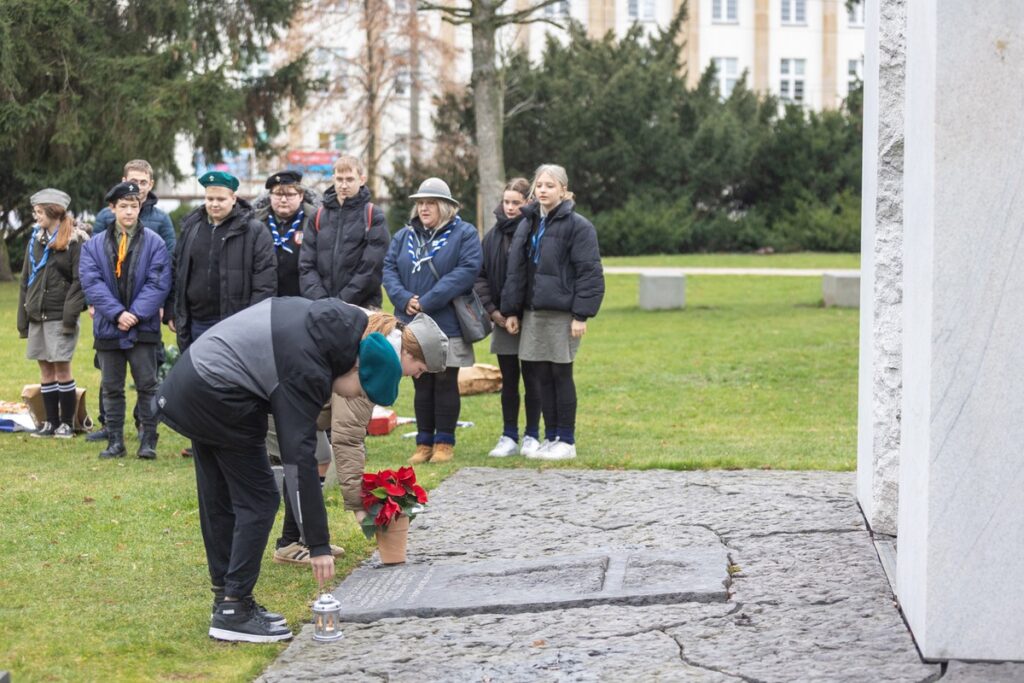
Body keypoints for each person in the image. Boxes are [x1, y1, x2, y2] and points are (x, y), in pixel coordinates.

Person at [155, 297, 408, 643]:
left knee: (219, 496)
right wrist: (318, 545)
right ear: (355, 368)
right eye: (360, 392)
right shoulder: (310, 367)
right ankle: (235, 608)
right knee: (259, 499)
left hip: (193, 381)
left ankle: (227, 600)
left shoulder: (332, 331)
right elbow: (299, 457)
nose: (353, 397)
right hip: (218, 390)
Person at [272, 310, 449, 567]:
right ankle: (290, 543)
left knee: (319, 456)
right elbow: (348, 438)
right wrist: (359, 509)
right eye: (420, 369)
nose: (417, 376)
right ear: (409, 353)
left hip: (294, 393)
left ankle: (300, 539)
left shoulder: (381, 337)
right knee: (304, 462)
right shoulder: (373, 367)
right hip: (274, 398)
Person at [297, 155, 392, 513]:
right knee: (322, 382)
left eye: (349, 178)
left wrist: (342, 302)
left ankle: (348, 454)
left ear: (361, 178)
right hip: (321, 310)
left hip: (360, 309)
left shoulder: (372, 215)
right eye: (338, 178)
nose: (343, 184)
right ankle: (322, 459)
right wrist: (323, 302)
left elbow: (371, 266)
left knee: (352, 384)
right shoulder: (318, 215)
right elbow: (306, 263)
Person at [500, 164, 605, 460]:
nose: (543, 190)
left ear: (563, 190)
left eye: (550, 185)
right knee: (540, 375)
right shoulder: (529, 222)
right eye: (539, 185)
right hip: (534, 312)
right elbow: (516, 271)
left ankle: (567, 440)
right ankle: (551, 437)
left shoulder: (578, 226)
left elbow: (590, 273)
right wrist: (512, 310)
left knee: (561, 373)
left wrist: (581, 315)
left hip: (562, 313)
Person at [383, 177, 482, 465]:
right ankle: (423, 442)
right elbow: (389, 269)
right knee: (421, 381)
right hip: (411, 320)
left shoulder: (464, 233)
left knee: (445, 380)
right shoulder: (404, 236)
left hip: (447, 320)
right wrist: (404, 299)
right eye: (420, 203)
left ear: (445, 206)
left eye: (431, 203)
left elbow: (466, 271)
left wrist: (427, 300)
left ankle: (444, 442)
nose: (424, 208)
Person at [79, 182, 172, 459]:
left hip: (143, 327)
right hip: (109, 326)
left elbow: (159, 282)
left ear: (140, 207)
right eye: (123, 206)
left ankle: (148, 441)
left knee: (147, 385)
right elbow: (92, 282)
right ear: (112, 208)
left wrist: (135, 315)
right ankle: (115, 441)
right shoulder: (93, 245)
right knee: (111, 387)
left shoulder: (155, 243)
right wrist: (118, 313)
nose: (129, 211)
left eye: (134, 206)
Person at [474, 178, 544, 457]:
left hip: (530, 317)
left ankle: (532, 435)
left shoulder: (536, 231)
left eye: (516, 202)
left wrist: (522, 311)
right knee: (509, 380)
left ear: (528, 203)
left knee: (533, 378)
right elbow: (480, 277)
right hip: (502, 318)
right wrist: (494, 312)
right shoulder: (492, 237)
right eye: (506, 202)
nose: (511, 207)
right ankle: (509, 435)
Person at [168, 170, 276, 351]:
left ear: (233, 199)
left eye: (221, 199)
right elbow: (177, 270)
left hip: (236, 324)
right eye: (210, 199)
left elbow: (265, 282)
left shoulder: (254, 231)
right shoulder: (191, 228)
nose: (214, 204)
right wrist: (172, 309)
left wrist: (252, 321)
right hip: (196, 322)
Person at [17, 188, 87, 438]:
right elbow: (25, 280)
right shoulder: (35, 240)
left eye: (39, 212)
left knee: (62, 369)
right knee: (45, 370)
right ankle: (50, 422)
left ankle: (66, 423)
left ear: (53, 211)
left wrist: (70, 316)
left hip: (60, 316)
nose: (35, 217)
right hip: (38, 315)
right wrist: (23, 319)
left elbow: (80, 281)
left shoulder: (75, 241)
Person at [255, 170, 317, 297]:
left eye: (289, 194)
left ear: (301, 196)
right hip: (265, 297)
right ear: (270, 196)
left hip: (304, 296)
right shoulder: (257, 222)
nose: (283, 200)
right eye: (278, 194)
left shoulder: (315, 220)